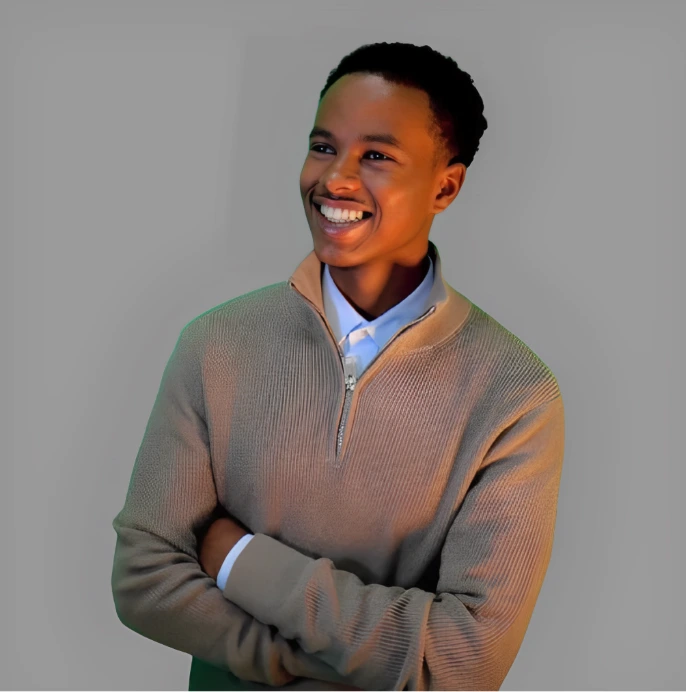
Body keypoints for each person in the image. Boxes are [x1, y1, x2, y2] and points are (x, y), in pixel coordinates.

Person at [111, 41, 565, 691]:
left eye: (376, 156)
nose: (335, 180)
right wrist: (323, 665)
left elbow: (465, 663)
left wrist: (240, 559)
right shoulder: (216, 344)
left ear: (445, 186)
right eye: (323, 146)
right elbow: (144, 580)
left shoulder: (516, 394)